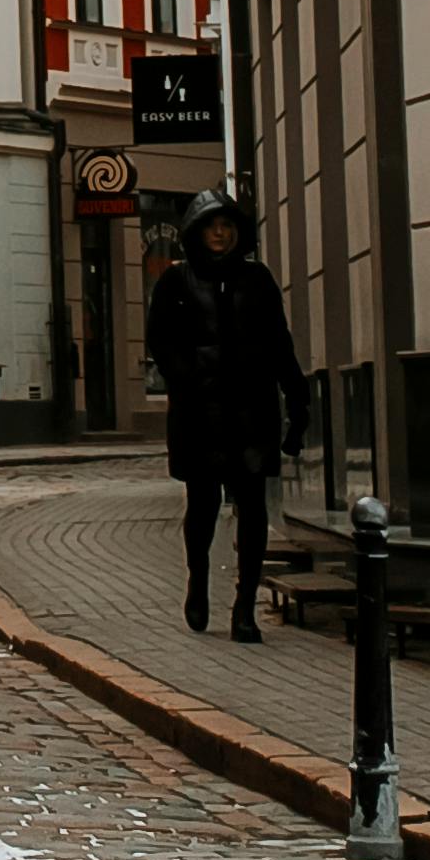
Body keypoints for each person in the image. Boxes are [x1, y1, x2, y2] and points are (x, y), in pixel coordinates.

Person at [145, 188, 309, 642]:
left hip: (250, 410)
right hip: (199, 413)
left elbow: (279, 342)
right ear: (196, 232)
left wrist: (297, 398)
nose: (220, 233)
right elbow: (160, 340)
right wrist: (189, 375)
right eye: (212, 226)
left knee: (252, 507)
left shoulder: (257, 280)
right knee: (203, 505)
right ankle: (198, 581)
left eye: (228, 226)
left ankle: (244, 607)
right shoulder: (176, 283)